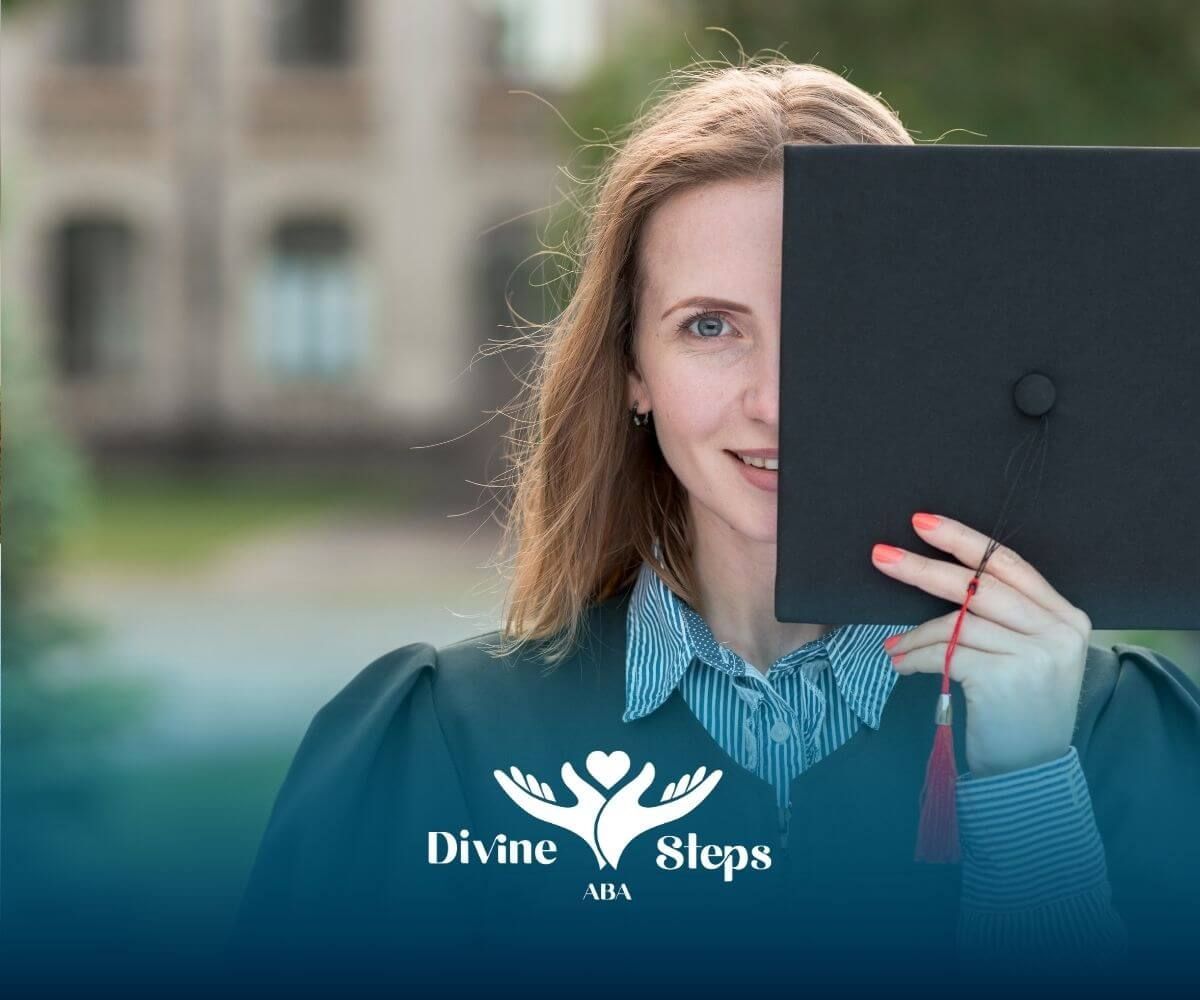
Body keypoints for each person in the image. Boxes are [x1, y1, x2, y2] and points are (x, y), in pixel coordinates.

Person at [227, 59, 1200, 993]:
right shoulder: (443, 742)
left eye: (833, 324)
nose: (775, 401)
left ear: (930, 348)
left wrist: (1028, 791)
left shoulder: (1119, 737)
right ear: (633, 371)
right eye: (709, 326)